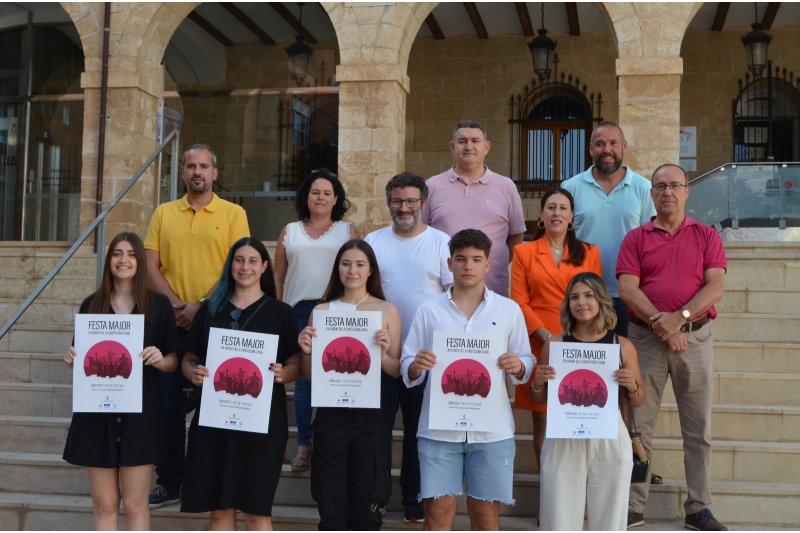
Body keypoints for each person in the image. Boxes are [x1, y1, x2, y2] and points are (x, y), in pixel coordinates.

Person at [617, 164, 727, 531]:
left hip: (693, 338)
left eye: (674, 186)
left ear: (686, 191)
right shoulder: (636, 238)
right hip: (646, 340)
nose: (667, 192)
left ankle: (698, 507)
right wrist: (663, 326)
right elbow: (629, 289)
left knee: (698, 430)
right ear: (651, 193)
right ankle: (634, 506)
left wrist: (678, 319)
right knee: (639, 426)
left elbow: (715, 288)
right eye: (660, 186)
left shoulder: (706, 235)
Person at [402, 229, 534, 530]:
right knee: (437, 515)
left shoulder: (509, 310)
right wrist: (415, 366)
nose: (468, 266)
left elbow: (526, 361)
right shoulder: (428, 311)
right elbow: (408, 362)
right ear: (449, 263)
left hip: (492, 432)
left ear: (488, 264)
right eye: (461, 259)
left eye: (476, 259)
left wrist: (518, 365)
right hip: (439, 432)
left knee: (486, 517)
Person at [144, 143, 249, 508]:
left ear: (215, 173)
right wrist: (176, 305)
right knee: (168, 406)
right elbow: (151, 266)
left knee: (216, 403)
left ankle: (209, 481)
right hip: (169, 320)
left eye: (204, 166)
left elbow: (239, 265)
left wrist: (199, 305)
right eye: (190, 166)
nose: (197, 172)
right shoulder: (163, 213)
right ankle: (170, 480)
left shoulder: (234, 213)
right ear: (183, 172)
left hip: (216, 319)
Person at [180, 237, 302, 530]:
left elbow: (297, 362)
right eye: (238, 260)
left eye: (252, 261)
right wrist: (194, 372)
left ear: (263, 267)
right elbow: (189, 358)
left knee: (256, 512)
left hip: (261, 425)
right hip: (214, 420)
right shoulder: (210, 310)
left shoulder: (280, 313)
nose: (245, 267)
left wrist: (284, 374)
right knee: (219, 511)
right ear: (230, 265)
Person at [63, 232, 179, 530]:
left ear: (140, 261)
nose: (123, 260)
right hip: (97, 417)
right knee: (105, 504)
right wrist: (72, 359)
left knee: (136, 504)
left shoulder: (159, 306)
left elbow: (173, 361)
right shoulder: (91, 304)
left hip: (142, 416)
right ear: (109, 260)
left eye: (130, 254)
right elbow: (83, 361)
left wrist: (159, 358)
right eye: (117, 253)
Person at [364, 172, 453, 523]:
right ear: (389, 204)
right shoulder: (373, 241)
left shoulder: (440, 242)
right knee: (377, 431)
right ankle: (377, 498)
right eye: (398, 201)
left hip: (424, 357)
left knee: (420, 432)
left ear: (423, 203)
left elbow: (450, 299)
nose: (404, 207)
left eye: (411, 201)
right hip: (379, 353)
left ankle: (415, 501)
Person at [298, 239, 402, 530]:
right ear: (337, 268)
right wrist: (306, 350)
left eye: (359, 264)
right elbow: (309, 375)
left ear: (371, 271)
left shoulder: (387, 311)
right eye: (346, 263)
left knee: (366, 499)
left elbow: (396, 371)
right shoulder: (321, 311)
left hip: (372, 416)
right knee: (330, 501)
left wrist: (381, 354)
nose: (352, 270)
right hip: (332, 414)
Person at [533, 272, 645, 531]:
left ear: (602, 300)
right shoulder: (555, 343)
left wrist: (632, 384)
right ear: (567, 304)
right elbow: (542, 398)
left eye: (588, 296)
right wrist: (539, 381)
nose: (581, 302)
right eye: (574, 297)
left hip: (610, 434)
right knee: (558, 518)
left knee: (610, 520)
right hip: (563, 434)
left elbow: (639, 400)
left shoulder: (622, 345)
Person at [510, 187, 602, 471]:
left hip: (581, 343)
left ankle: (576, 484)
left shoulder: (590, 252)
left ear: (572, 216)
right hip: (539, 343)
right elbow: (518, 301)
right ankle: (548, 490)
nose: (557, 213)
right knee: (544, 418)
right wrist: (548, 338)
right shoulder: (524, 252)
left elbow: (595, 297)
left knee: (579, 412)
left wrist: (574, 338)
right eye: (551, 207)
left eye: (563, 208)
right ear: (541, 215)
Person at [273, 168, 357, 473]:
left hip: (335, 311)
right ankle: (306, 444)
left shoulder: (347, 232)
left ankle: (332, 444)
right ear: (305, 197)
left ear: (336, 199)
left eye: (327, 193)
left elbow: (357, 269)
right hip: (297, 310)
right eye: (315, 192)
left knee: (337, 376)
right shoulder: (290, 231)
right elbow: (279, 274)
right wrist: (279, 310)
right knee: (306, 379)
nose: (320, 197)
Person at [561, 122, 655, 336]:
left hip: (628, 295)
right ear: (591, 148)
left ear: (624, 146)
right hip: (583, 297)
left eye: (613, 143)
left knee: (624, 363)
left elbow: (650, 241)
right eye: (600, 144)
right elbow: (562, 240)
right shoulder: (571, 188)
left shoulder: (644, 188)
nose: (607, 149)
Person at [423, 120, 526, 296]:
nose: (469, 146)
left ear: (486, 147)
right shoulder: (432, 186)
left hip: (493, 292)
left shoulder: (506, 187)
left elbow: (515, 237)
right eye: (462, 141)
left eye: (475, 141)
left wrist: (494, 263)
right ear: (452, 147)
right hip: (443, 293)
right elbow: (423, 235)